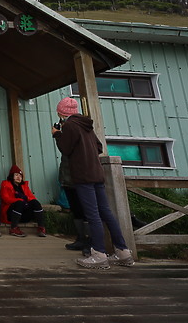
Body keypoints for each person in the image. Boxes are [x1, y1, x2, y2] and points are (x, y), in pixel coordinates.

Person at [52, 97, 134, 269]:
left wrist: (57, 134)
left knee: (93, 214)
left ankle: (98, 254)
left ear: (62, 112)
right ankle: (123, 252)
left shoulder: (70, 126)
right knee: (106, 212)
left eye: (59, 112)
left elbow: (65, 149)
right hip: (97, 173)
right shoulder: (86, 125)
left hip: (83, 175)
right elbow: (98, 147)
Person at [0, 164, 46, 237]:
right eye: (16, 175)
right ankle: (13, 228)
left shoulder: (24, 186)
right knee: (19, 203)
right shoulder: (6, 184)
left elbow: (32, 197)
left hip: (24, 214)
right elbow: (6, 199)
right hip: (11, 214)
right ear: (12, 176)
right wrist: (20, 199)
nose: (19, 177)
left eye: (20, 176)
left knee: (35, 202)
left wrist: (25, 198)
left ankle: (41, 228)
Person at [59, 154, 90, 256]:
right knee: (76, 210)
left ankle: (89, 241)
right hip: (67, 180)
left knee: (86, 210)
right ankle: (81, 238)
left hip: (81, 180)